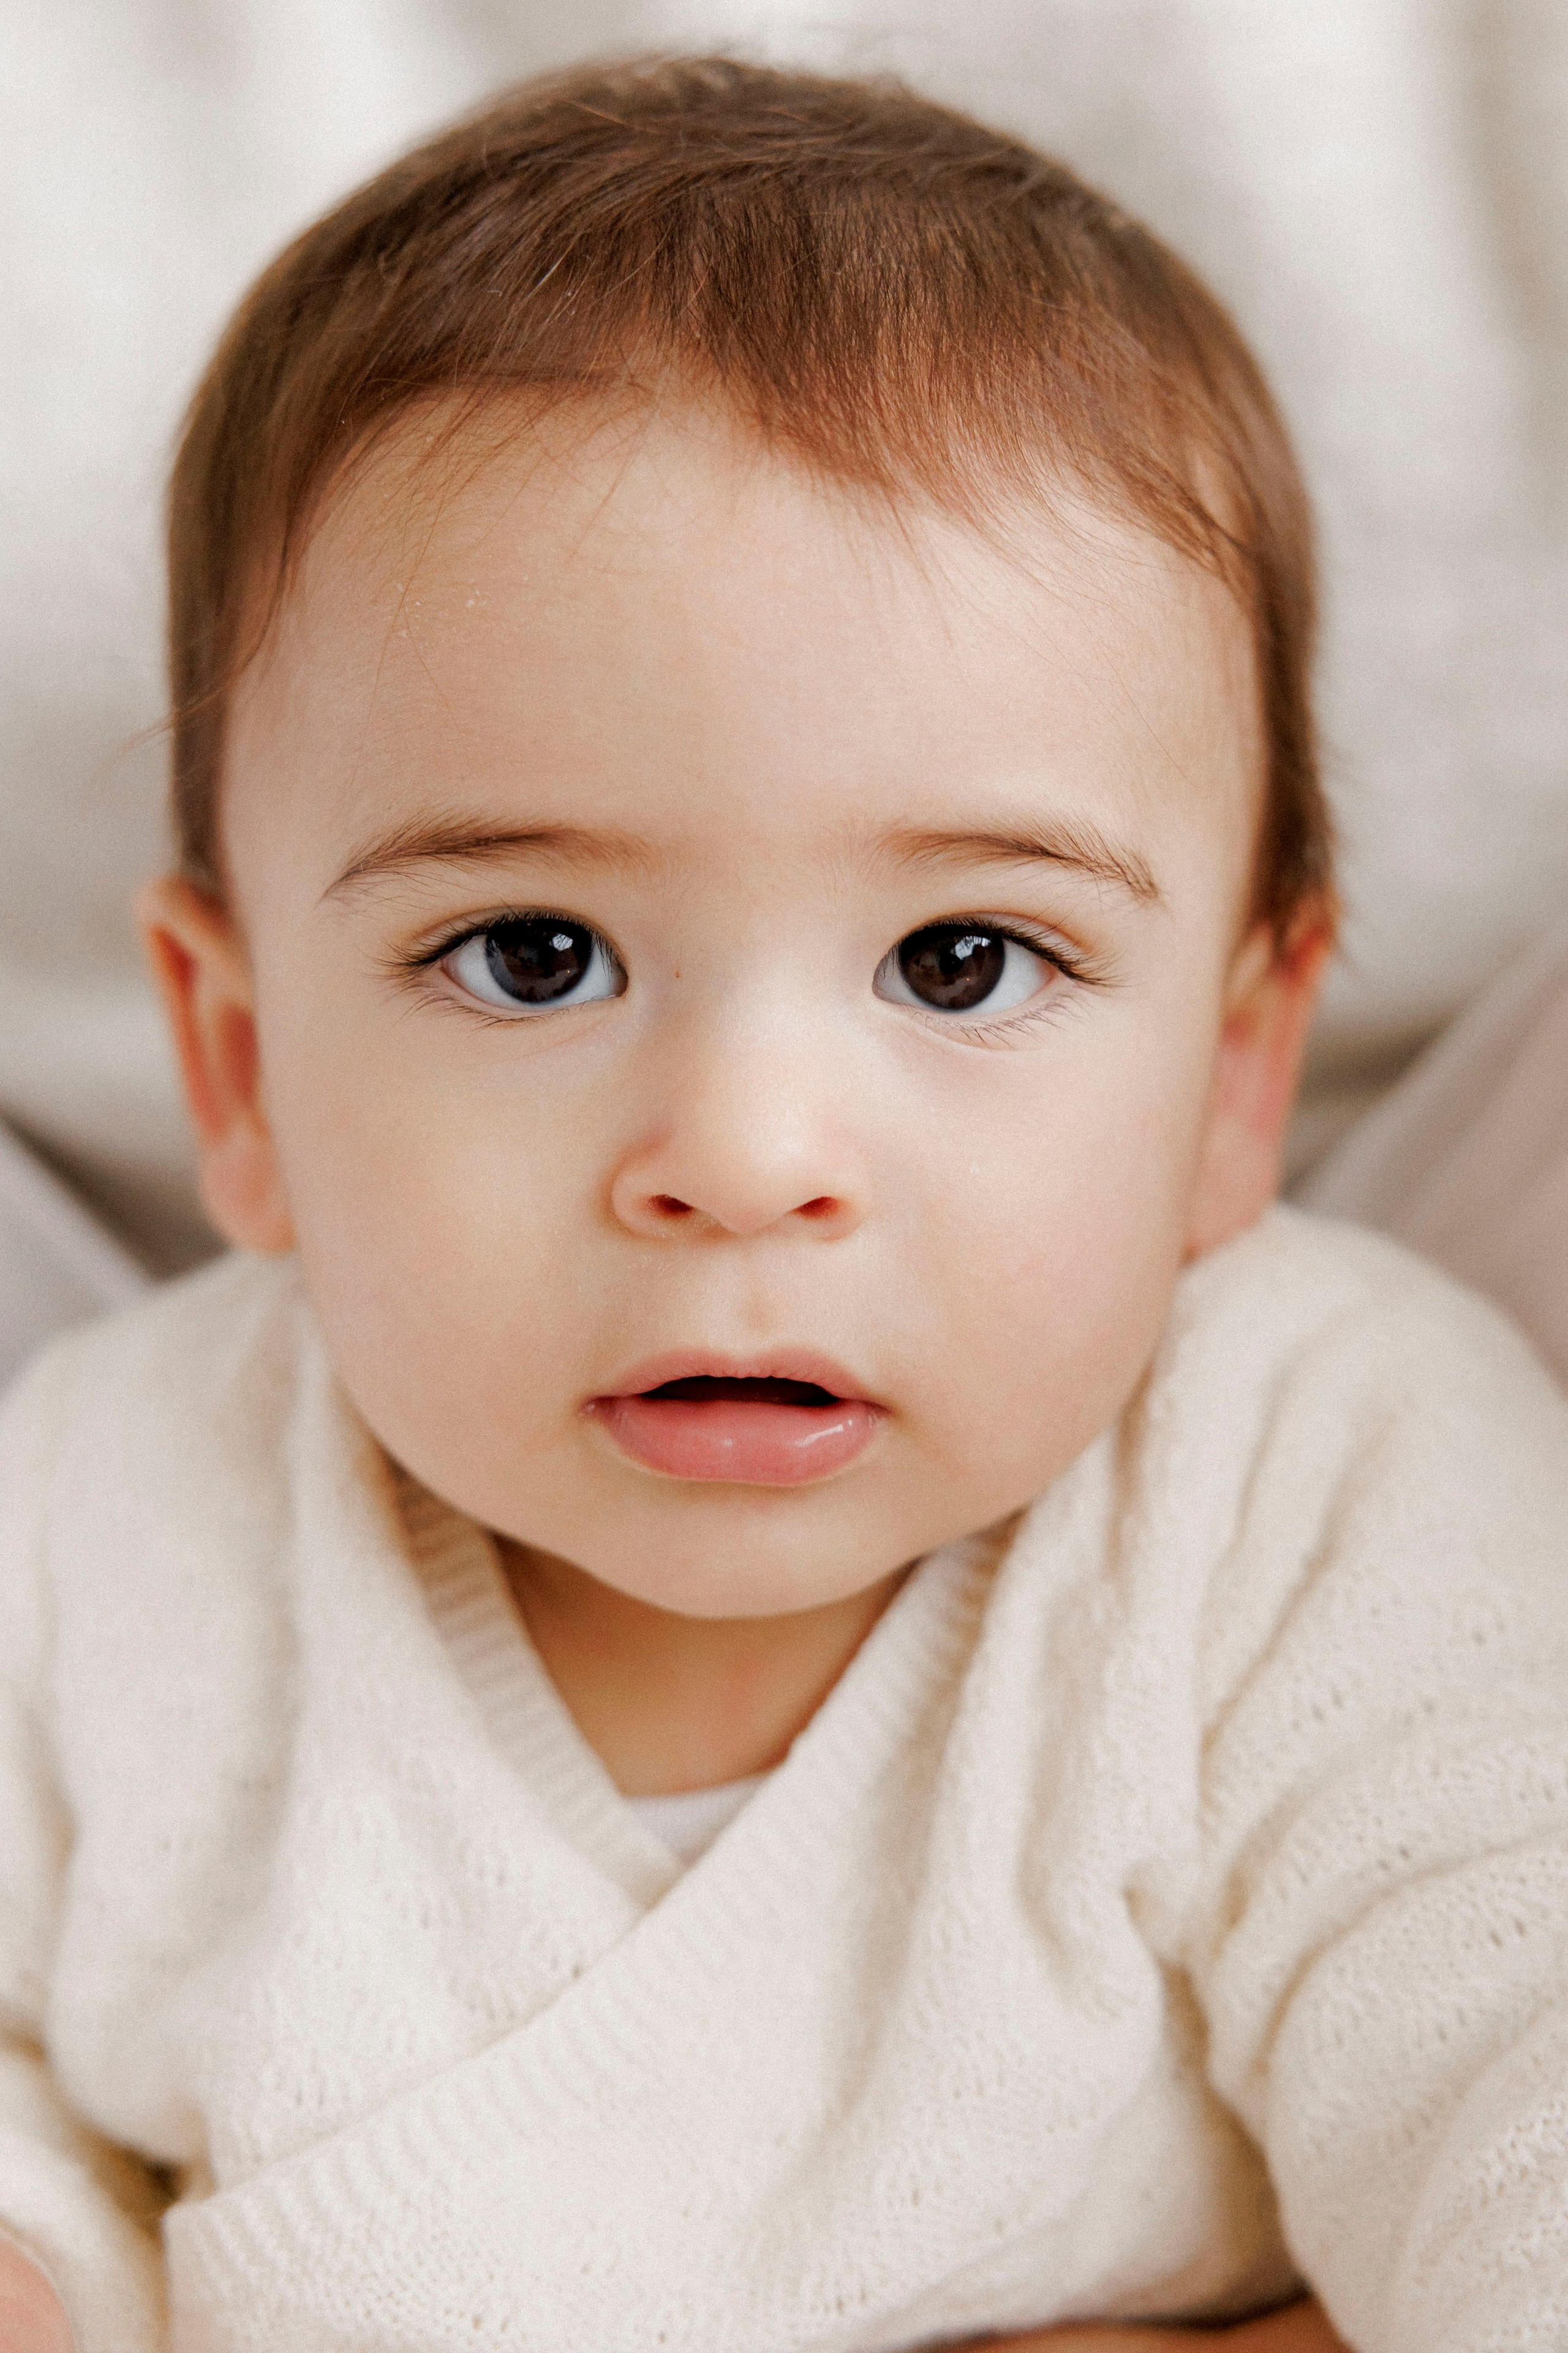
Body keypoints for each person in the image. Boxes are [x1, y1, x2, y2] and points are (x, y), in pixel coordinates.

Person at [4, 56, 1568, 2353]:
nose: (740, 1157)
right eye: (530, 954)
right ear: (238, 1066)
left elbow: (1514, 2071)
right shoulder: (105, 1525)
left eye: (966, 960)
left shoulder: (1311, 1481)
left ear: (1240, 1070)